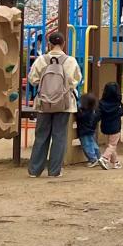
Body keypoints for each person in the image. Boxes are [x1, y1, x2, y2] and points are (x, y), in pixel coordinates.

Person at [25, 38, 80, 178]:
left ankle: (35, 170)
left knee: (41, 136)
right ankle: (55, 170)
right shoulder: (70, 61)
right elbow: (76, 80)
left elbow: (32, 79)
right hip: (64, 104)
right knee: (59, 136)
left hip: (44, 103)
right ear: (63, 44)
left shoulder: (41, 60)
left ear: (49, 44)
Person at [96, 79, 123, 169]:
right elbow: (122, 112)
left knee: (110, 144)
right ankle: (104, 158)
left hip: (105, 126)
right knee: (112, 145)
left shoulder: (101, 103)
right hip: (115, 127)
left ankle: (115, 162)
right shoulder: (118, 104)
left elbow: (98, 114)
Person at [75, 86, 102, 168]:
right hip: (91, 130)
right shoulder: (93, 111)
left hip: (84, 131)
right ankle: (98, 157)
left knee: (87, 145)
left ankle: (93, 159)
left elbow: (79, 116)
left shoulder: (85, 113)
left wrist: (78, 110)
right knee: (93, 144)